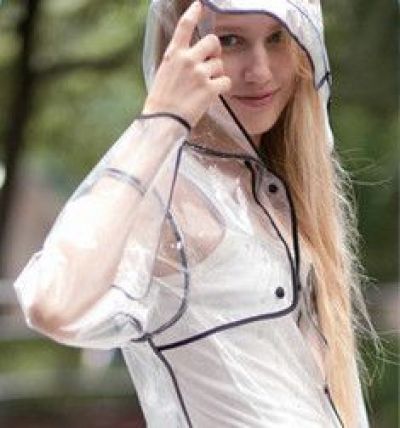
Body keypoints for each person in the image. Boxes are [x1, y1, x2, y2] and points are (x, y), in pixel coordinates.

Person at [14, 0, 379, 426]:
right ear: (180, 48)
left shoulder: (282, 189)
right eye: (231, 40)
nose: (260, 70)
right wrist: (161, 119)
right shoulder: (172, 197)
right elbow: (53, 302)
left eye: (276, 37)